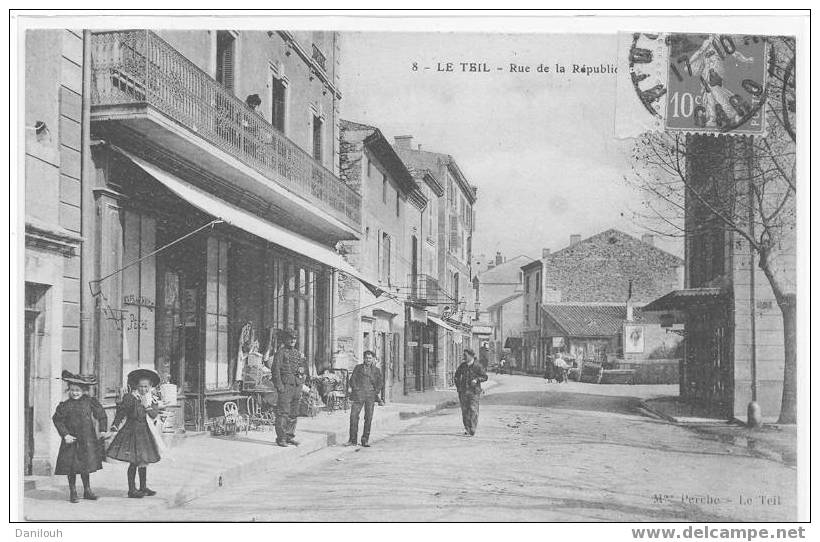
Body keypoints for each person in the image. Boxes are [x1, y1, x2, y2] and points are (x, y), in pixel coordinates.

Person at [52, 371, 109, 503]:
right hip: (71, 440)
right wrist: (65, 434)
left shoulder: (89, 402)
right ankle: (73, 491)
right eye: (72, 390)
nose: (75, 393)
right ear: (69, 390)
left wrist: (102, 430)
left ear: (84, 391)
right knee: (71, 467)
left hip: (87, 439)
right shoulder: (64, 405)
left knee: (85, 465)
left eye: (78, 390)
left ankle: (87, 490)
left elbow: (101, 414)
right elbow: (57, 420)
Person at [107, 368, 162, 498]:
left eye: (146, 386)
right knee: (134, 461)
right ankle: (132, 489)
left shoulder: (152, 399)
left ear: (150, 387)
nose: (143, 389)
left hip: (145, 433)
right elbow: (122, 412)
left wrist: (147, 406)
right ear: (136, 386)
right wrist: (115, 425)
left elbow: (154, 415)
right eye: (141, 386)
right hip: (131, 431)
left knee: (144, 460)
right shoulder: (130, 398)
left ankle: (143, 487)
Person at [271, 329, 308, 447]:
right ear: (286, 339)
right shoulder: (281, 352)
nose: (292, 340)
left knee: (293, 414)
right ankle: (281, 438)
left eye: (295, 338)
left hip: (296, 387)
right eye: (290, 338)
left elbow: (303, 369)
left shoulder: (298, 353)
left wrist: (301, 381)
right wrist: (280, 387)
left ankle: (289, 436)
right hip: (286, 387)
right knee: (283, 413)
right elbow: (275, 370)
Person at [346, 350, 384, 447]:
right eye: (366, 358)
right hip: (359, 395)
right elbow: (352, 380)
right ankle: (352, 440)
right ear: (364, 358)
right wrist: (356, 389)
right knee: (353, 416)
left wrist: (375, 392)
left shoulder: (376, 370)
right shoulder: (358, 368)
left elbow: (380, 383)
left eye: (370, 358)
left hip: (370, 396)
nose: (368, 360)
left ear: (373, 359)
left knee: (368, 418)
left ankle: (365, 439)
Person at [454, 349, 488, 436]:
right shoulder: (462, 366)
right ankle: (467, 428)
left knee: (473, 410)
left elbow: (485, 377)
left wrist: (477, 380)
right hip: (463, 391)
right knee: (465, 411)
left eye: (465, 355)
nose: (464, 357)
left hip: (474, 392)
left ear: (471, 356)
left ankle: (472, 428)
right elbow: (456, 376)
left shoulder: (478, 366)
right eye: (463, 355)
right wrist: (459, 387)